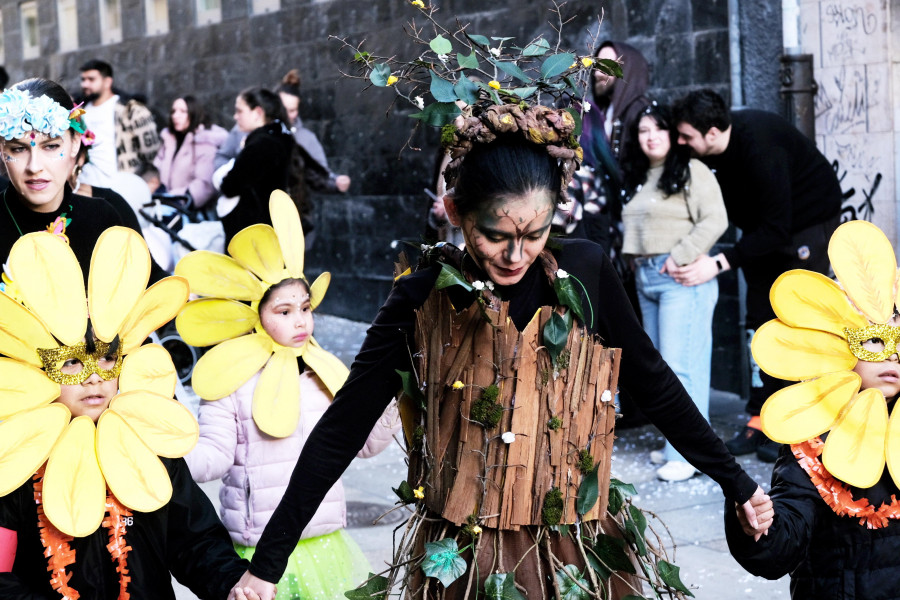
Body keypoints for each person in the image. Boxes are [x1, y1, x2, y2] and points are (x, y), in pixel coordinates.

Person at [229, 105, 771, 598]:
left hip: (578, 549)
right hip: (464, 556)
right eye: (495, 234)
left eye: (536, 233)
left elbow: (654, 381)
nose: (516, 255)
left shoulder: (584, 270)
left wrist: (735, 481)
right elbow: (343, 425)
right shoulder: (421, 295)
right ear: (454, 211)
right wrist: (268, 562)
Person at [0, 227, 261, 600]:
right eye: (72, 363)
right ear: (39, 368)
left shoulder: (147, 445)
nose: (93, 378)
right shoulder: (15, 460)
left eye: (107, 358)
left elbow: (194, 541)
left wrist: (232, 585)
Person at [176, 192, 400, 599]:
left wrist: (392, 400)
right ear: (254, 316)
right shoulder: (231, 381)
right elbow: (214, 454)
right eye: (283, 311)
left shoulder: (324, 371)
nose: (300, 321)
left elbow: (364, 444)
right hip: (260, 553)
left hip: (326, 545)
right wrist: (164, 458)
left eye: (305, 308)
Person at [725, 220, 900, 598]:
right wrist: (757, 524)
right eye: (874, 338)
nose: (894, 354)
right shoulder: (812, 440)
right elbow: (779, 548)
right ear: (835, 345)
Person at [672, 89, 842, 462]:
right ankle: (761, 417)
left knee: (795, 325)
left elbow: (776, 228)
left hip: (806, 225)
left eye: (686, 136)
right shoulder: (712, 153)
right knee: (757, 323)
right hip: (764, 233)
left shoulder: (760, 148)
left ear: (712, 133)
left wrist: (718, 263)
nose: (679, 142)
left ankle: (795, 427)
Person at [620, 103, 728, 482]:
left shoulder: (692, 170)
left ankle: (687, 456)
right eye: (643, 130)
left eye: (659, 130)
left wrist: (680, 255)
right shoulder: (640, 176)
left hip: (681, 277)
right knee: (664, 369)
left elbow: (716, 219)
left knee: (682, 368)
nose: (650, 137)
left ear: (672, 135)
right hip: (647, 278)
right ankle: (678, 446)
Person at [0, 78, 122, 277]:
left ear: (75, 143)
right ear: (2, 150)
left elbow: (153, 289)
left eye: (51, 146)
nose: (35, 167)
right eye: (18, 149)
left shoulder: (102, 219)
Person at [217, 87, 296, 246]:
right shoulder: (282, 137)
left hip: (253, 235)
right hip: (274, 229)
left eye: (240, 111)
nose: (235, 116)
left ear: (258, 112)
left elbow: (230, 186)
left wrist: (227, 176)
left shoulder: (261, 145)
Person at [78, 59, 161, 186]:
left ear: (107, 82)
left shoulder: (130, 109)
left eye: (91, 79)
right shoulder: (80, 111)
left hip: (121, 185)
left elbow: (151, 152)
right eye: (83, 79)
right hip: (85, 185)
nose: (85, 84)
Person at [154, 95, 228, 210]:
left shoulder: (204, 142)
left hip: (189, 210)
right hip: (162, 204)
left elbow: (204, 185)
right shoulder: (169, 140)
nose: (175, 115)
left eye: (182, 111)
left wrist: (179, 198)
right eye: (173, 111)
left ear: (193, 114)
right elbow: (156, 170)